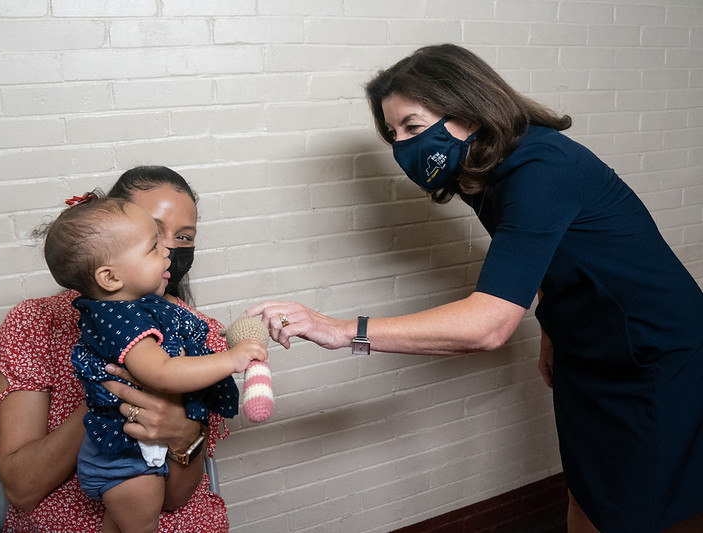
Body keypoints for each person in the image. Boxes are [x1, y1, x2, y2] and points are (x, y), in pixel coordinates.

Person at [246, 44, 703, 533]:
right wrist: (554, 333)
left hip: (655, 355)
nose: (402, 145)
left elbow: (488, 326)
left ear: (467, 108)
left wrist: (340, 330)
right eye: (393, 135)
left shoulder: (542, 167)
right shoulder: (482, 175)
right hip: (587, 350)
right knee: (592, 489)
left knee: (655, 506)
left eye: (413, 127)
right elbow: (542, 265)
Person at [0, 165, 241, 532]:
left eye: (184, 237)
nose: (169, 249)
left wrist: (184, 435)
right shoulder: (36, 323)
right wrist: (110, 394)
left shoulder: (197, 334)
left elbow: (177, 500)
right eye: (154, 233)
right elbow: (22, 489)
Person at [33, 190, 266, 533]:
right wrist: (230, 359)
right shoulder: (123, 320)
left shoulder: (131, 308)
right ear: (110, 278)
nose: (167, 252)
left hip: (124, 457)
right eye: (153, 247)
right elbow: (163, 373)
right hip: (126, 463)